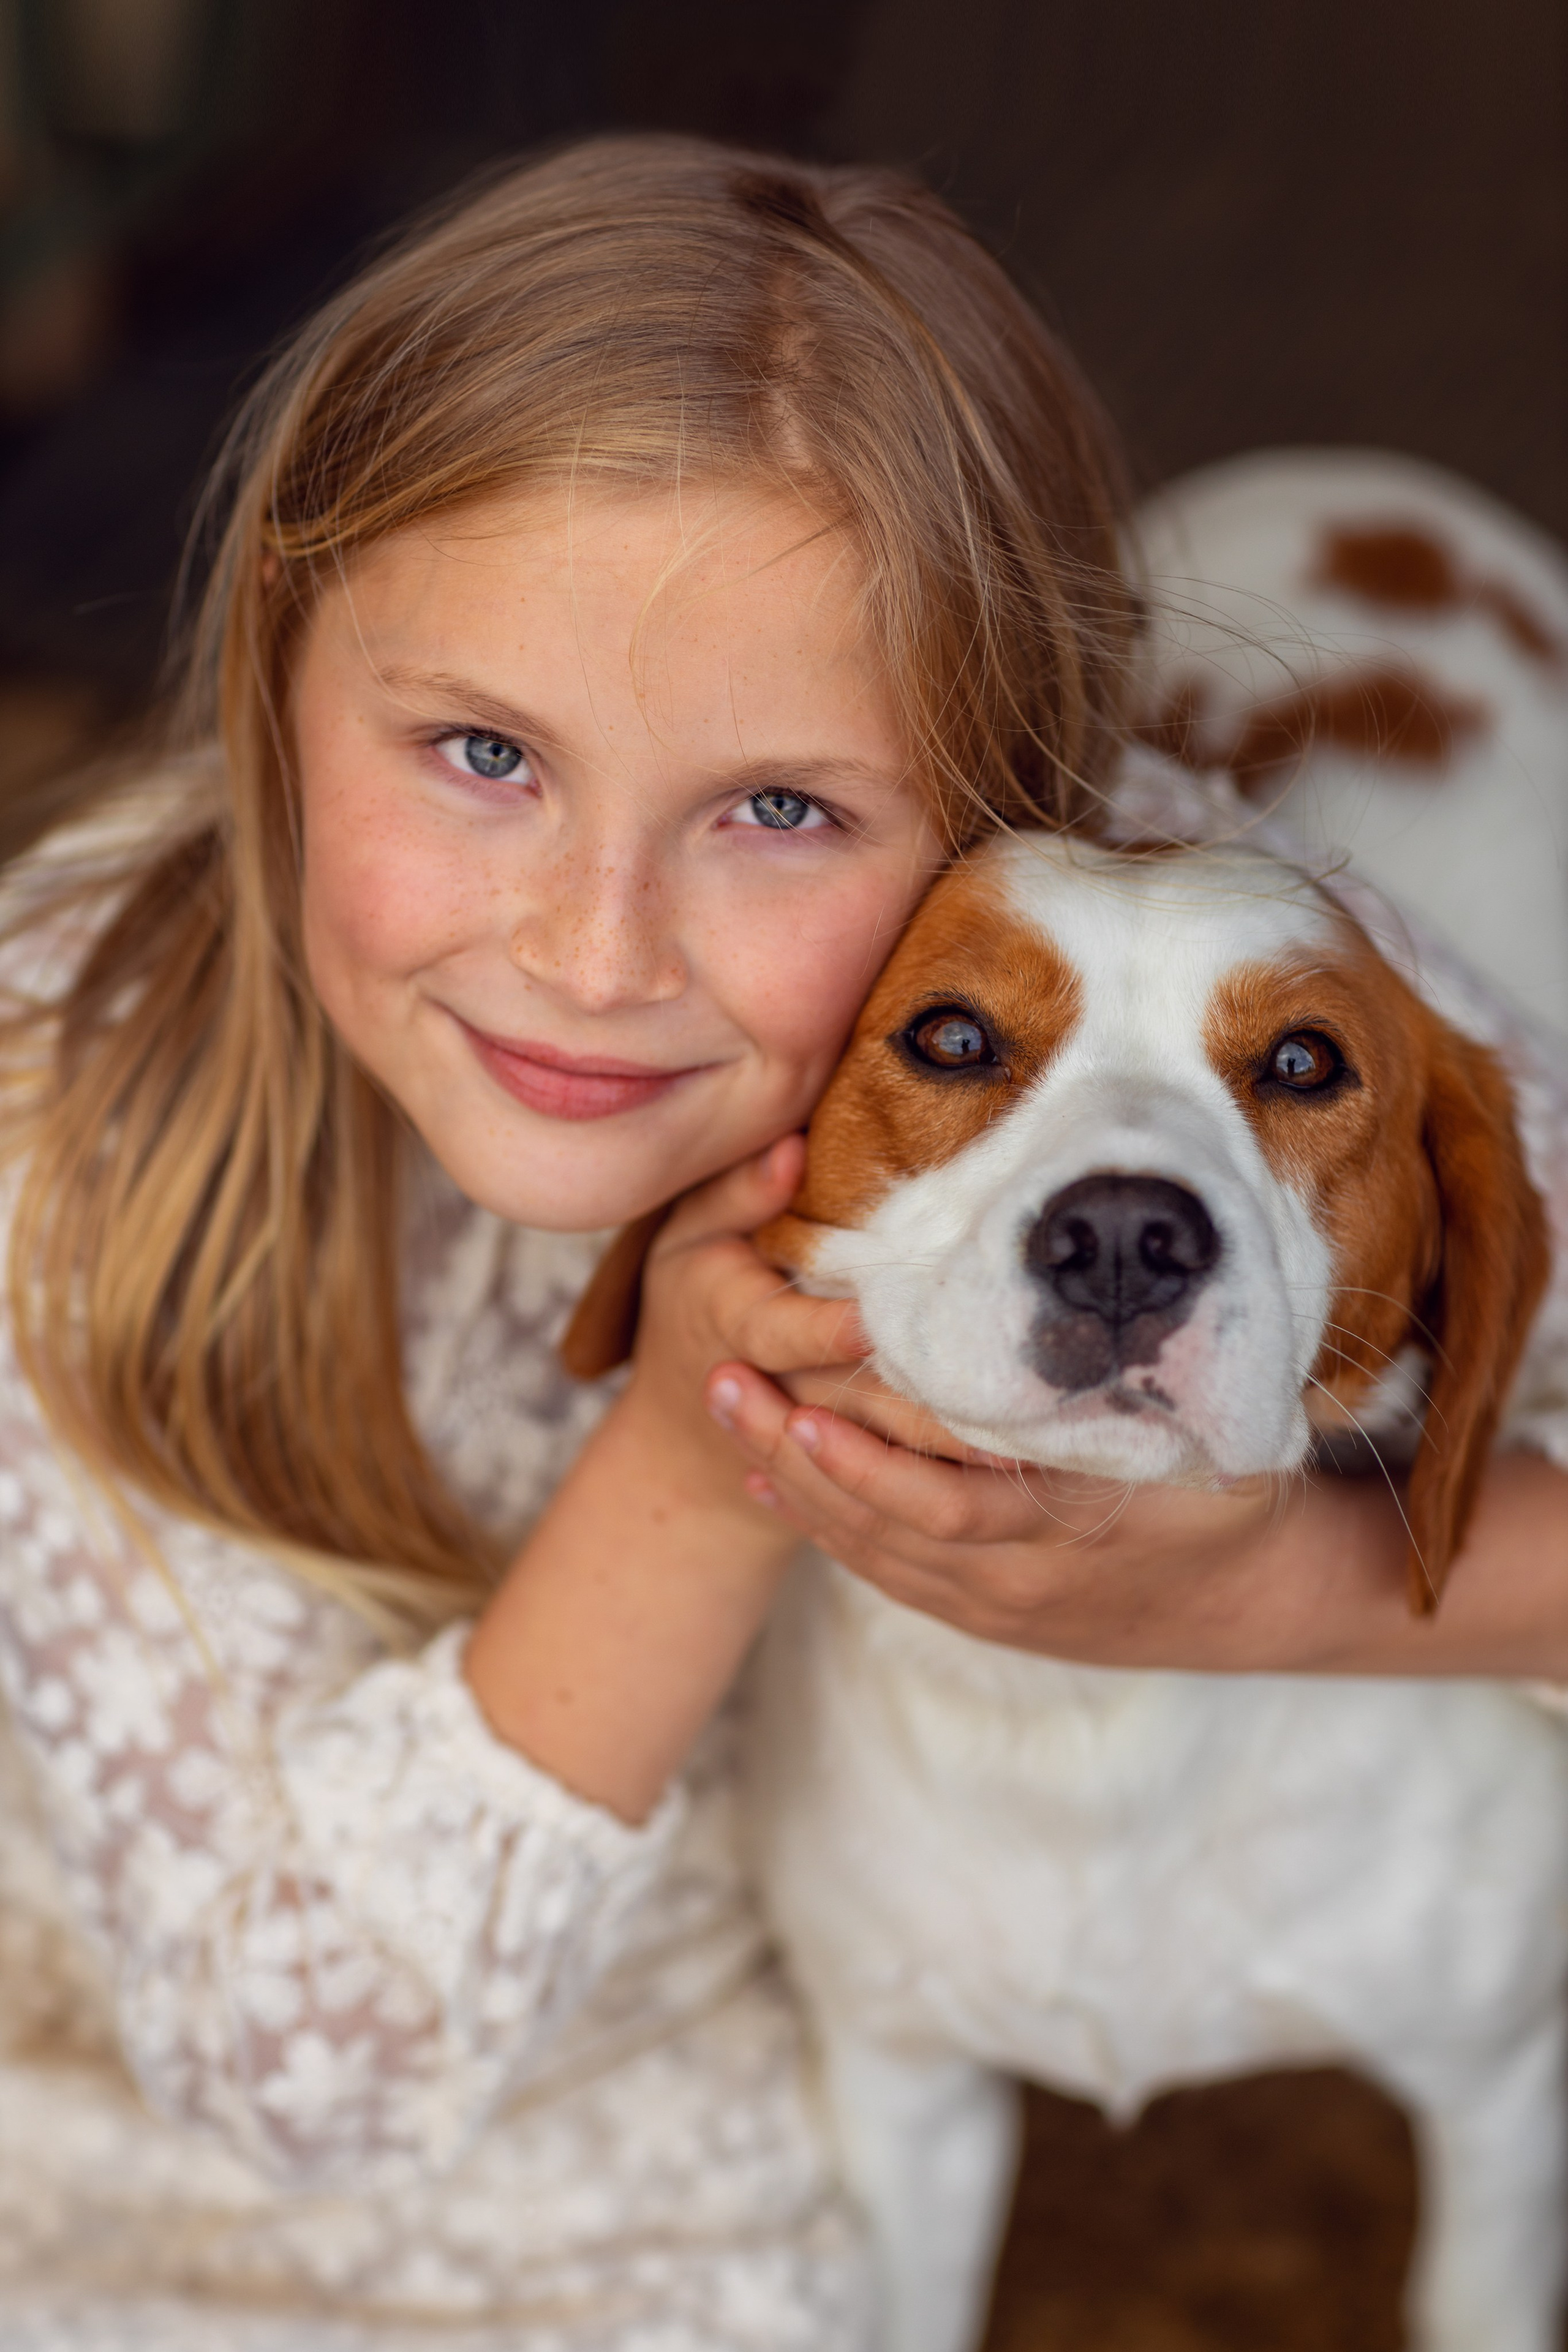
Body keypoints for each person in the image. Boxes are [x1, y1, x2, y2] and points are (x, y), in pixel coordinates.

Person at [0, 129, 1563, 2352]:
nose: (595, 951)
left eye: (779, 808)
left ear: (1026, 795)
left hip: (751, 2044)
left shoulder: (1165, 911)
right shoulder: (53, 1110)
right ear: (274, 650)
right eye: (480, 750)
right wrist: (694, 1455)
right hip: (267, 2105)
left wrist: (1284, 1585)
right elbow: (310, 2072)